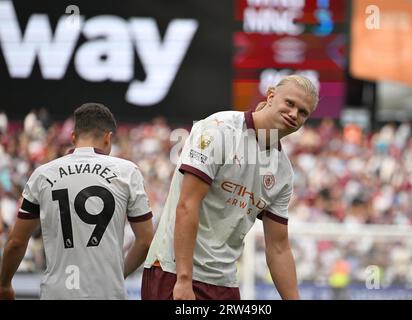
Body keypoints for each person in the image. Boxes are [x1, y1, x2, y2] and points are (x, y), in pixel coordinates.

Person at [141, 75, 319, 300]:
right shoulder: (220, 129)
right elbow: (187, 205)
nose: (294, 114)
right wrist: (184, 280)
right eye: (290, 103)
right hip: (173, 272)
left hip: (223, 282)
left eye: (303, 112)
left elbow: (279, 248)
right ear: (271, 96)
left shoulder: (282, 172)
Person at [0, 103, 154, 300]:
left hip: (57, 294)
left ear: (73, 137)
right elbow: (146, 241)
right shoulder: (127, 172)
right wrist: (117, 274)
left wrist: (4, 285)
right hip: (107, 294)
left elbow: (16, 242)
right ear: (108, 138)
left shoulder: (42, 175)